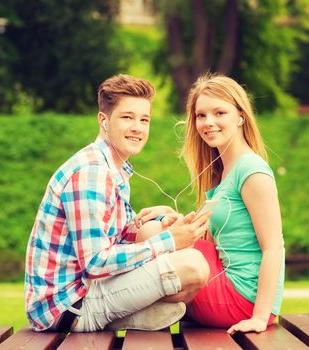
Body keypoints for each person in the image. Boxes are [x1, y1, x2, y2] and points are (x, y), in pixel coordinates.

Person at [24, 74, 211, 333]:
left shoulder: (113, 168)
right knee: (193, 265)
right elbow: (96, 262)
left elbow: (123, 233)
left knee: (162, 240)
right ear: (104, 120)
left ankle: (125, 315)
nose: (138, 127)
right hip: (66, 305)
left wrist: (164, 224)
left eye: (144, 120)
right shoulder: (91, 173)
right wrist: (170, 242)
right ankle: (119, 317)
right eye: (127, 117)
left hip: (87, 290)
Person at [181, 73, 285, 334]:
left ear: (240, 116)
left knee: (156, 241)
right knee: (156, 231)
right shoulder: (223, 171)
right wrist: (167, 217)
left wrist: (260, 317)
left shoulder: (251, 171)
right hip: (223, 283)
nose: (208, 122)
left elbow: (274, 247)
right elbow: (204, 238)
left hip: (242, 300)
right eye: (201, 115)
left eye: (219, 113)